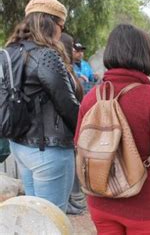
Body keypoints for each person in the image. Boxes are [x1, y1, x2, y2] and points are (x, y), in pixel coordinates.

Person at [75, 24, 150, 234]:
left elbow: (79, 143)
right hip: (144, 204)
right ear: (145, 55)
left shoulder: (90, 98)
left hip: (100, 198)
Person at [7, 0, 80, 212]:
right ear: (51, 23)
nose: (62, 31)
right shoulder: (46, 55)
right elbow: (67, 104)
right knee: (51, 220)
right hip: (48, 148)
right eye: (61, 25)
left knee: (34, 217)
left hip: (20, 145)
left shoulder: (10, 52)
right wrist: (85, 131)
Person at [60, 33, 86, 215]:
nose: (75, 52)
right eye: (71, 48)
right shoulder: (59, 67)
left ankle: (71, 198)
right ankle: (67, 200)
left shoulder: (68, 68)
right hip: (65, 127)